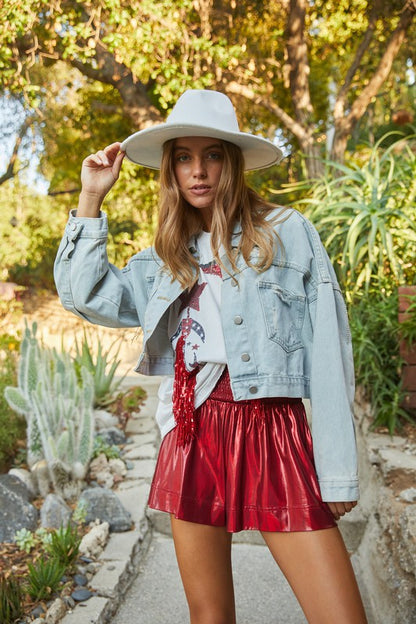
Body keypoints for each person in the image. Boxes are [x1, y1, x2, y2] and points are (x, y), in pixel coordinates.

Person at [54, 89, 368, 624]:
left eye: (213, 155)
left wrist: (337, 471)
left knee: (341, 616)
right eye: (183, 157)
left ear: (234, 160)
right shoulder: (164, 258)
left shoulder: (288, 234)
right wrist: (91, 199)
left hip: (272, 427)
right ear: (171, 169)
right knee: (210, 614)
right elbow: (85, 295)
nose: (198, 171)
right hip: (193, 427)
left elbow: (330, 349)